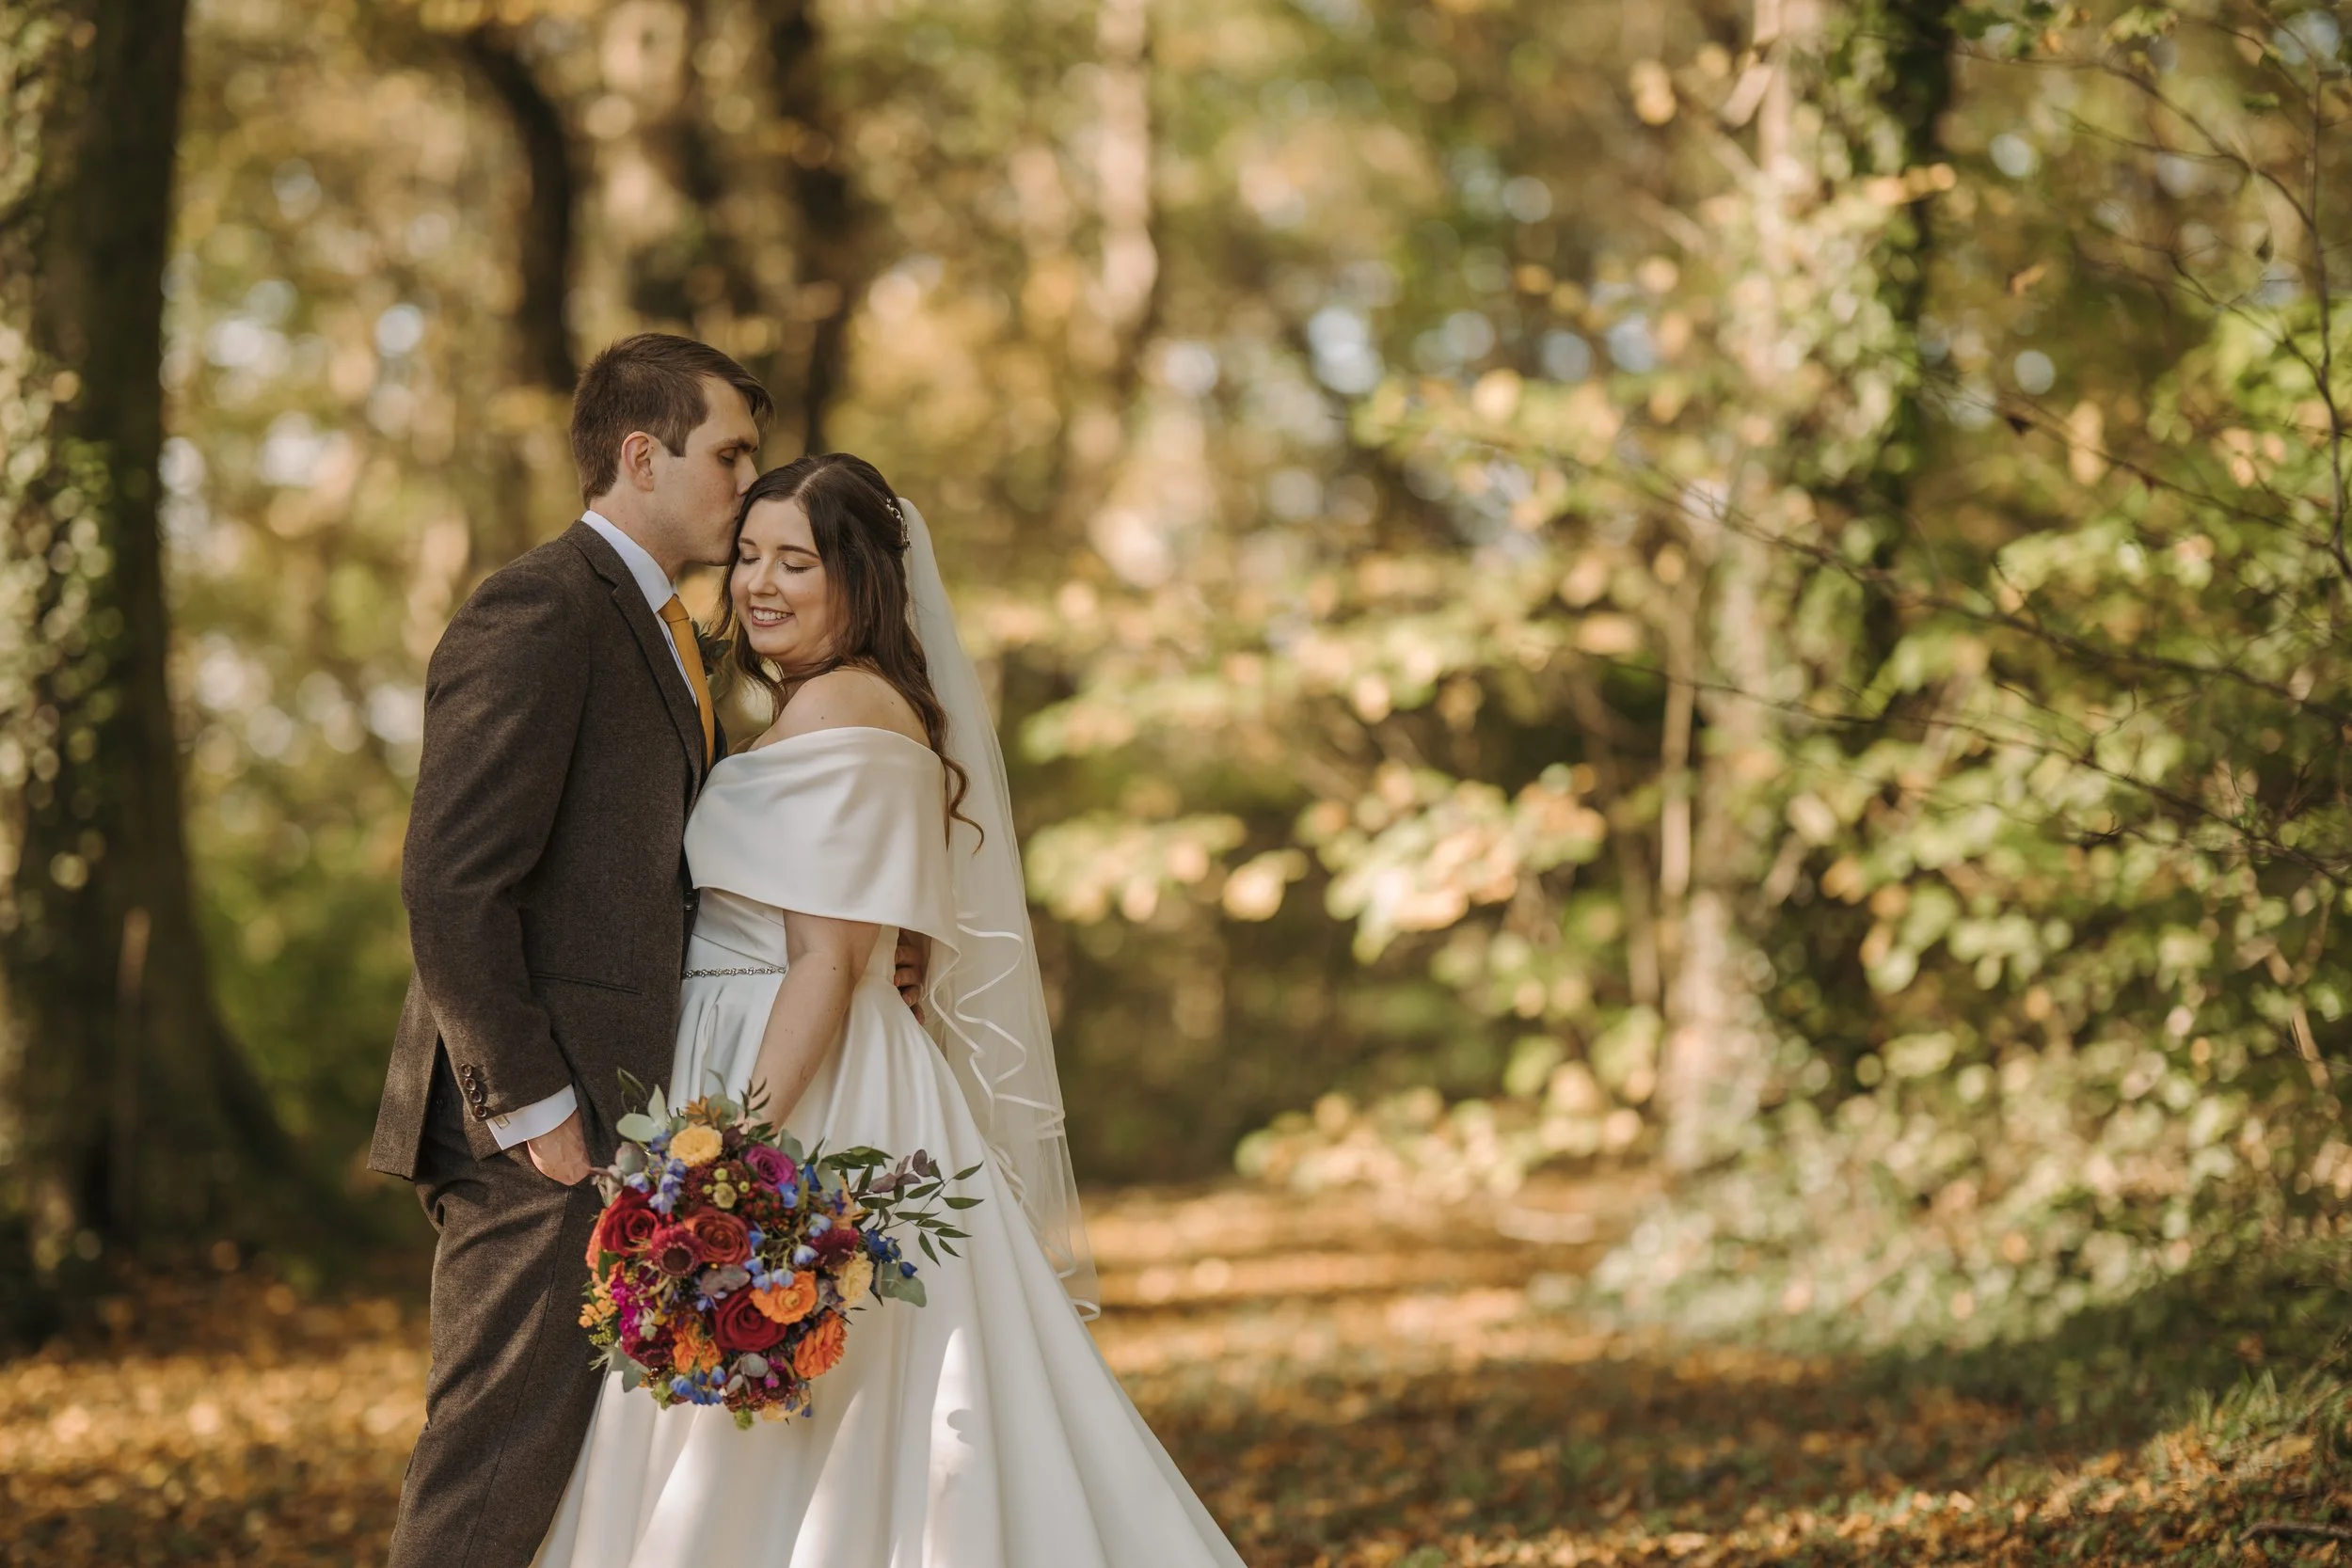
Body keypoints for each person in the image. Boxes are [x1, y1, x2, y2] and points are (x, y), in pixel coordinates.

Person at [532, 453, 1245, 1566]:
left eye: (796, 560)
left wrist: (723, 1153)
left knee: (818, 1397)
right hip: (780, 1037)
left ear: (857, 576)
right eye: (751, 555)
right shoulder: (821, 702)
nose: (760, 582)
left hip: (796, 1064)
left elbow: (823, 959)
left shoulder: (844, 705)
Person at [366, 332, 776, 1568]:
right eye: (732, 452)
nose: (752, 480)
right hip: (534, 1124)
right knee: (494, 1456)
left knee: (566, 1465)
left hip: (618, 1111)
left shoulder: (657, 623)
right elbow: (450, 877)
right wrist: (534, 1101)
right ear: (642, 456)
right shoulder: (541, 605)